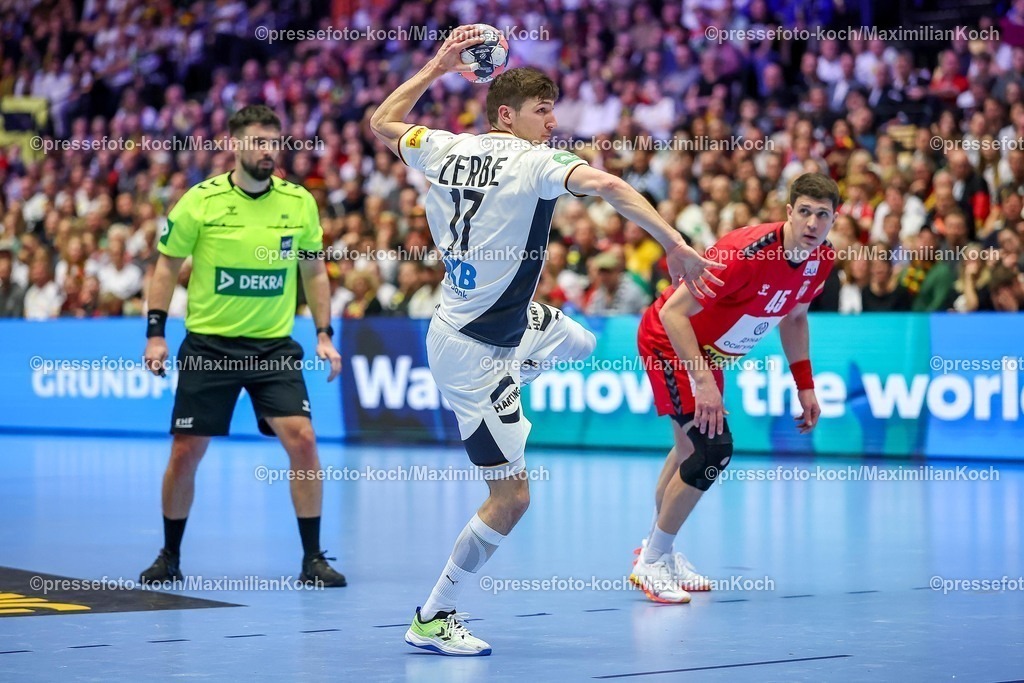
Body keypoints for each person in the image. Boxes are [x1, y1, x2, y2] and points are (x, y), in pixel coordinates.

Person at [370, 26, 723, 655]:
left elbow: (382, 121)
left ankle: (520, 370)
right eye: (541, 110)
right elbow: (611, 187)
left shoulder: (443, 147)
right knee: (511, 499)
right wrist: (674, 243)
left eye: (553, 109)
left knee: (579, 342)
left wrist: (440, 65)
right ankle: (432, 616)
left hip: (495, 320)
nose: (552, 122)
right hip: (474, 351)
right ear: (507, 115)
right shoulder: (534, 162)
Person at [140, 104, 346, 588]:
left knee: (304, 440)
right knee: (185, 451)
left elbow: (314, 270)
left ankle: (313, 559)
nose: (268, 151)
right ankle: (169, 555)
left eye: (274, 142)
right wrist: (155, 333)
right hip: (209, 347)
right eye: (258, 142)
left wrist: (324, 333)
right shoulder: (200, 201)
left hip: (273, 348)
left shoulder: (299, 202)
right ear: (235, 145)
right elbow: (166, 265)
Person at [631, 172, 838, 603]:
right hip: (670, 342)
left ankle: (658, 552)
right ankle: (652, 561)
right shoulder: (743, 254)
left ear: (834, 219)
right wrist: (703, 381)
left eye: (823, 215)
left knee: (690, 449)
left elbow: (795, 318)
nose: (812, 223)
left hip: (708, 353)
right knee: (713, 450)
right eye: (804, 212)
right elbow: (672, 313)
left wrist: (805, 386)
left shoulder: (821, 259)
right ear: (789, 212)